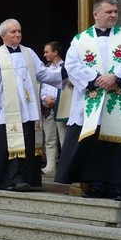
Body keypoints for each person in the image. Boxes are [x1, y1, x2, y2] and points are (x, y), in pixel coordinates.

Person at [55, 0, 121, 201]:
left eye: (115, 11)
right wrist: (95, 80)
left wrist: (117, 77)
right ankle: (96, 186)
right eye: (109, 12)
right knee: (94, 146)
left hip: (120, 97)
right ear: (96, 14)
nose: (114, 15)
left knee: (120, 147)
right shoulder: (80, 40)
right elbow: (71, 66)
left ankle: (119, 188)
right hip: (93, 100)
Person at [0, 19, 65, 192]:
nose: (18, 34)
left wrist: (64, 73)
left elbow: (43, 73)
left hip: (28, 109)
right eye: (13, 32)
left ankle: (25, 178)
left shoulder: (29, 53)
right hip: (5, 111)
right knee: (9, 146)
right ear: (3, 36)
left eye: (19, 31)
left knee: (27, 144)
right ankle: (10, 179)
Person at [40, 41, 67, 176]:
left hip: (61, 107)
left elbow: (68, 87)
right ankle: (50, 167)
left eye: (47, 52)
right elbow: (41, 87)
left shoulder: (67, 67)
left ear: (55, 52)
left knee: (64, 139)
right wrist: (45, 98)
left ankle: (65, 169)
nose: (44, 55)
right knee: (49, 139)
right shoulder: (45, 68)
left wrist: (57, 99)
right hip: (47, 108)